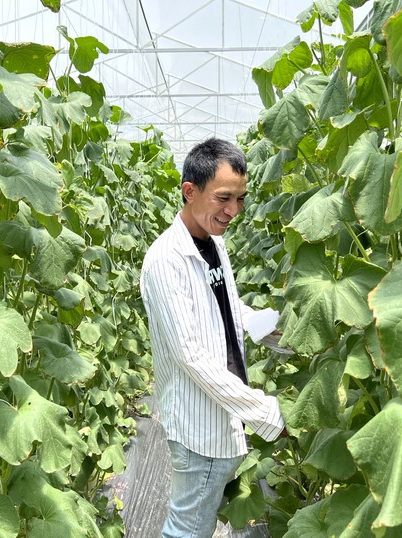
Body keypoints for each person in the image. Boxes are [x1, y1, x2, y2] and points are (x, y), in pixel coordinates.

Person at [140, 138, 286, 538]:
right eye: (224, 198)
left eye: (239, 199)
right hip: (199, 430)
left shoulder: (213, 244)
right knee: (186, 530)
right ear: (190, 191)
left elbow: (228, 309)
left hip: (222, 417)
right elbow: (193, 356)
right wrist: (265, 412)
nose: (233, 211)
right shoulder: (166, 261)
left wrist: (278, 332)